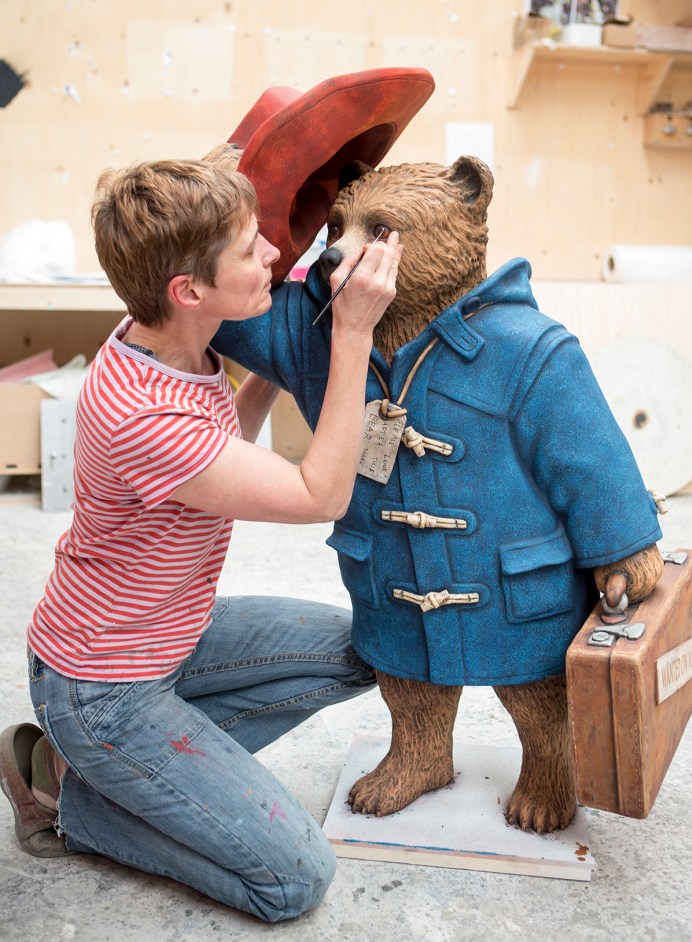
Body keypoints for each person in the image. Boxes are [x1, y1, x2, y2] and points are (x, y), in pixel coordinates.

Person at [0, 157, 401, 923]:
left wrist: (283, 360)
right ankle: (71, 801)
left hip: (170, 635)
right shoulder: (143, 414)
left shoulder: (168, 339)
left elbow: (220, 450)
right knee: (293, 880)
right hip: (103, 688)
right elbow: (320, 494)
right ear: (188, 290)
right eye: (250, 249)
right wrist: (352, 333)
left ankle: (137, 775)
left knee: (364, 649)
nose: (274, 255)